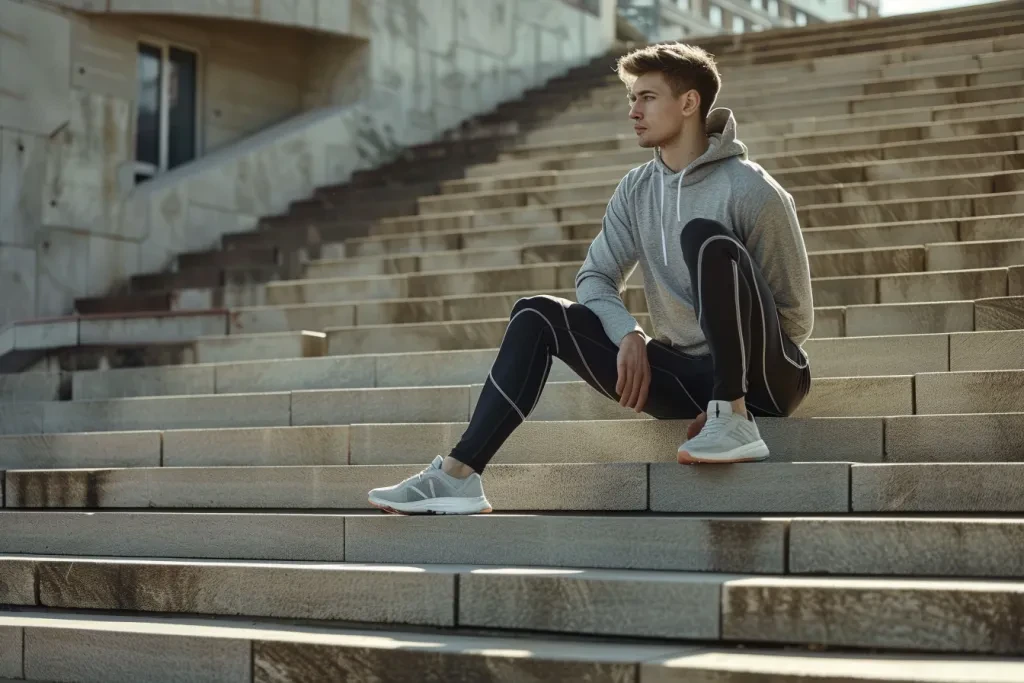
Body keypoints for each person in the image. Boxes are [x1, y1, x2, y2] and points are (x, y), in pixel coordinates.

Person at [368, 42, 814, 515]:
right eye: (631, 99)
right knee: (536, 313)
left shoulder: (750, 188)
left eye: (646, 97)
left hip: (766, 379)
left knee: (705, 239)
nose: (633, 111)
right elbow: (596, 276)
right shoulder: (636, 188)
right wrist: (629, 334)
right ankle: (458, 476)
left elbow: (795, 318)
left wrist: (733, 387)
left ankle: (733, 418)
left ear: (688, 103)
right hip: (687, 378)